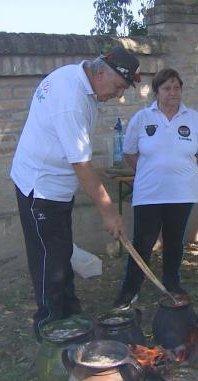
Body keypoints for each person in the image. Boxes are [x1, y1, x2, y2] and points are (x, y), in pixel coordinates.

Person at [10, 45, 140, 342]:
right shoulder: (71, 98)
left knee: (61, 252)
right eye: (119, 87)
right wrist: (109, 211)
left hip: (56, 187)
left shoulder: (79, 81)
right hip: (40, 187)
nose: (119, 95)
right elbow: (81, 164)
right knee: (48, 260)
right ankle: (49, 328)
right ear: (101, 72)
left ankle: (70, 314)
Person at [114, 68, 198, 309]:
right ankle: (130, 290)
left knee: (174, 240)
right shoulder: (142, 118)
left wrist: (180, 170)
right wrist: (153, 171)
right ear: (156, 91)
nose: (173, 93)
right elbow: (129, 153)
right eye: (167, 88)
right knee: (143, 242)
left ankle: (172, 283)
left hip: (182, 192)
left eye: (176, 88)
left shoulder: (193, 118)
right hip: (149, 192)